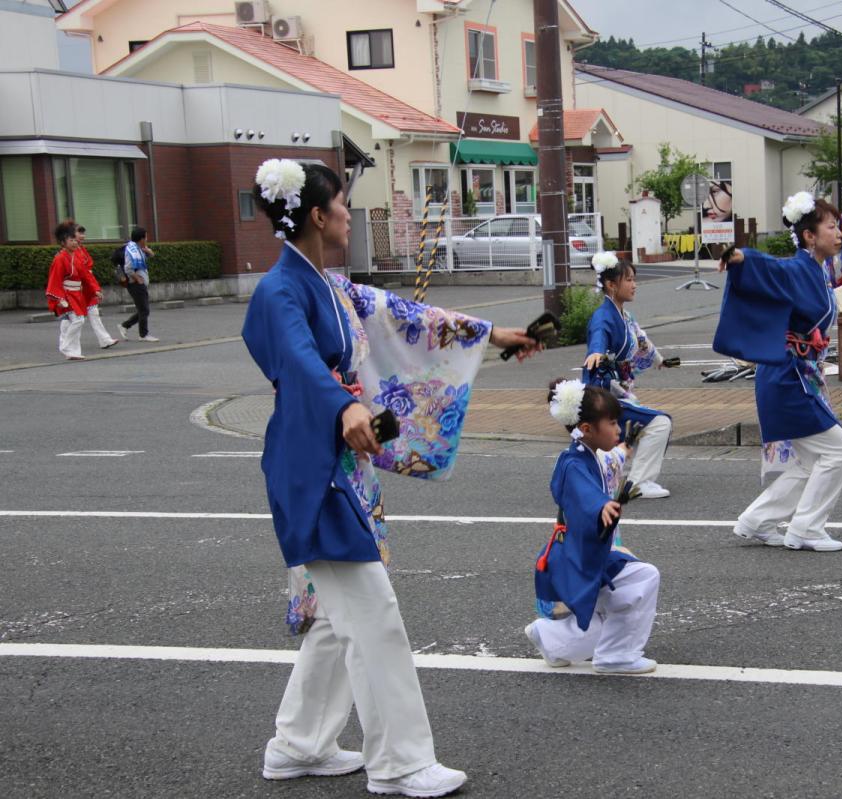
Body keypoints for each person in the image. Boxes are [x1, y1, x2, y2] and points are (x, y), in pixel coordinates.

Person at [241, 158, 539, 797]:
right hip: (314, 466)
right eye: (343, 204)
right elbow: (296, 356)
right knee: (371, 613)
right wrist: (344, 402)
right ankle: (401, 763)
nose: (349, 214)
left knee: (335, 615)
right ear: (318, 215)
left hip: (334, 461)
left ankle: (299, 744)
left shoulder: (327, 283)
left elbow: (402, 315)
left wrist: (493, 334)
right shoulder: (281, 291)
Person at [714, 191, 842, 552]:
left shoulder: (817, 270)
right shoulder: (798, 268)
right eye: (830, 227)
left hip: (791, 376)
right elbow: (770, 267)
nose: (839, 233)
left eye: (838, 226)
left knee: (809, 462)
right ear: (809, 235)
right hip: (788, 378)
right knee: (840, 452)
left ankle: (756, 521)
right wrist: (742, 257)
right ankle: (806, 529)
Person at [527, 379, 660, 674]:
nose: (617, 428)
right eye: (612, 423)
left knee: (607, 610)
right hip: (579, 555)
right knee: (643, 578)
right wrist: (601, 505)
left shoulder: (587, 452)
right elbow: (582, 493)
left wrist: (625, 447)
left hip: (582, 550)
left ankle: (550, 638)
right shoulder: (573, 464)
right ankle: (617, 657)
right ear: (587, 429)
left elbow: (612, 458)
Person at [583, 252, 673, 500]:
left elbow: (641, 338)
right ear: (611, 285)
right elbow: (599, 335)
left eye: (635, 279)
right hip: (602, 393)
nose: (634, 285)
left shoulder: (623, 315)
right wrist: (596, 352)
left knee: (641, 425)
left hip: (615, 390)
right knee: (659, 423)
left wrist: (659, 360)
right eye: (629, 280)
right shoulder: (604, 316)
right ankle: (639, 482)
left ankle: (622, 474)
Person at [44, 221, 96, 360]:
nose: (74, 242)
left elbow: (85, 275)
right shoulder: (60, 258)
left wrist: (95, 289)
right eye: (71, 240)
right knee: (78, 320)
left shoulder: (75, 256)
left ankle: (74, 351)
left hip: (77, 293)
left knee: (72, 322)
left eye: (75, 240)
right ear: (63, 242)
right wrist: (59, 298)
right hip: (67, 294)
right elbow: (55, 279)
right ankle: (66, 346)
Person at [72, 224, 118, 350]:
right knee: (74, 318)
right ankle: (68, 343)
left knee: (92, 312)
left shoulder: (81, 249)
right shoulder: (71, 251)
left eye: (83, 233)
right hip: (76, 287)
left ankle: (104, 339)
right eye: (79, 233)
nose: (83, 236)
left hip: (86, 285)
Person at [118, 226, 157, 342]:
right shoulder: (132, 250)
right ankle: (143, 334)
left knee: (143, 309)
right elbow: (128, 268)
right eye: (146, 237)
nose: (147, 239)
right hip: (135, 284)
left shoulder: (139, 249)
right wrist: (137, 278)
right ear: (141, 239)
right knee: (144, 310)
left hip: (139, 284)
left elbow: (150, 256)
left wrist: (149, 252)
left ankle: (125, 325)